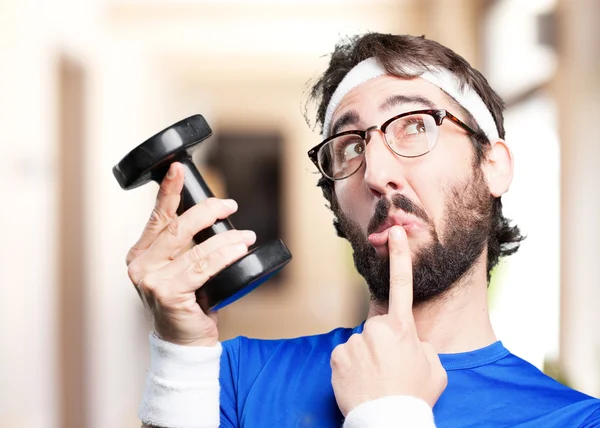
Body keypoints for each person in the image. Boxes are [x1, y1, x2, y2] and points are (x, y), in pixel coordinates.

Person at [125, 33, 600, 428]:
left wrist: (387, 412)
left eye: (413, 126)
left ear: (493, 166)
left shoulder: (575, 420)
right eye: (350, 146)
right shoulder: (232, 375)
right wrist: (180, 355)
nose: (374, 172)